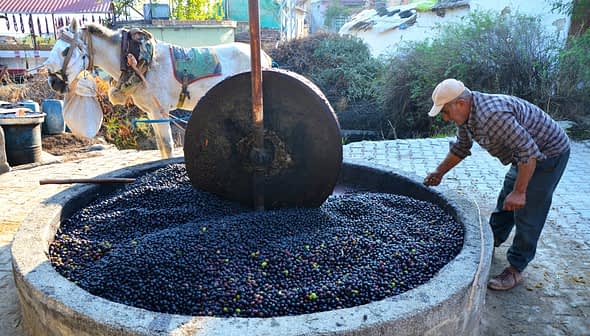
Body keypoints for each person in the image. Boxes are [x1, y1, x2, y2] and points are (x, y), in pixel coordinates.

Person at [423, 78, 570, 291]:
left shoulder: (493, 115)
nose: (445, 118)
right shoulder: (466, 117)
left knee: (528, 211)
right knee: (505, 201)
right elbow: (461, 148)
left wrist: (520, 192)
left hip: (548, 154)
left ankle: (516, 269)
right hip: (523, 155)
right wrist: (439, 173)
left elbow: (528, 154)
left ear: (460, 104)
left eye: (445, 112)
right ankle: (491, 241)